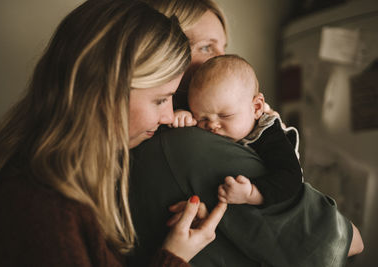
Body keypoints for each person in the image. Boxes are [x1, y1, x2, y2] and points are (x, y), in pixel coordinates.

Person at [0, 1, 228, 266]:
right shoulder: (39, 209)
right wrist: (173, 258)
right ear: (105, 92)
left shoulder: (79, 185)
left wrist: (167, 241)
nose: (168, 117)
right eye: (160, 100)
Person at [129, 0, 363, 266]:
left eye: (223, 47)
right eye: (206, 47)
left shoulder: (156, 143)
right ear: (164, 55)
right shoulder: (189, 144)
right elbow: (351, 241)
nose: (219, 59)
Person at [172, 54, 303, 207]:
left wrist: (251, 194)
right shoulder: (216, 122)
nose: (212, 125)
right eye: (202, 118)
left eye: (225, 115)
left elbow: (291, 178)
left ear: (256, 107)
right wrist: (185, 117)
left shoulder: (269, 134)